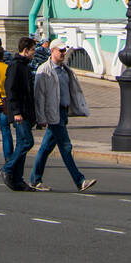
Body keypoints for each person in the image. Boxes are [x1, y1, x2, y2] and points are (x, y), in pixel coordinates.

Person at [30, 39, 97, 192]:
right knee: (66, 147)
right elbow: (39, 96)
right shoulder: (44, 70)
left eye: (64, 50)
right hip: (53, 114)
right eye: (60, 51)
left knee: (46, 148)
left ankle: (35, 179)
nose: (63, 53)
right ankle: (80, 181)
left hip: (63, 112)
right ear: (52, 51)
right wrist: (41, 118)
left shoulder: (65, 69)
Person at [0, 35, 38, 191]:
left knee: (22, 144)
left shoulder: (25, 66)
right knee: (28, 142)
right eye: (33, 50)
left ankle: (17, 179)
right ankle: (7, 169)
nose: (34, 53)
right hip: (19, 113)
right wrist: (16, 112)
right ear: (25, 50)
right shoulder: (15, 66)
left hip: (26, 112)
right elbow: (11, 90)